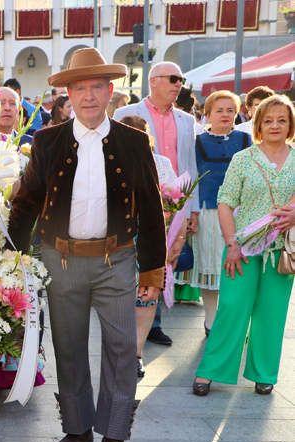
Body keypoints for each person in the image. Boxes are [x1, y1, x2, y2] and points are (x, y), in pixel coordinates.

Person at [8, 48, 166, 442]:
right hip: (60, 260)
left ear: (110, 92)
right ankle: (77, 429)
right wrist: (14, 257)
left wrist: (153, 271)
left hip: (117, 259)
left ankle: (114, 437)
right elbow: (26, 201)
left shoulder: (134, 142)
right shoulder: (47, 140)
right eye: (81, 88)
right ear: (69, 93)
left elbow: (152, 209)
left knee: (121, 348)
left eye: (98, 87)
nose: (90, 97)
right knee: (70, 347)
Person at [193, 95, 295, 397]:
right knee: (232, 308)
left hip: (282, 253)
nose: (275, 125)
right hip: (242, 248)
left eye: (282, 120)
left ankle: (264, 373)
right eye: (268, 120)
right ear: (258, 124)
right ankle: (210, 371)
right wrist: (231, 243)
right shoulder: (244, 158)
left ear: (290, 125)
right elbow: (225, 203)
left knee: (272, 313)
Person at [113, 61, 198, 347]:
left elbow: (190, 166)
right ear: (154, 80)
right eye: (174, 78)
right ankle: (127, 326)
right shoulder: (126, 113)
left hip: (172, 203)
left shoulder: (187, 120)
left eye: (181, 79)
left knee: (164, 263)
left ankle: (154, 325)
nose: (179, 85)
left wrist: (191, 208)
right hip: (132, 207)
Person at [180, 90, 252, 336]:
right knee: (210, 266)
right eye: (219, 110)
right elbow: (192, 178)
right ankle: (211, 322)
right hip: (208, 211)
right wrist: (192, 213)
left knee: (239, 268)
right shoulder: (197, 142)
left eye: (230, 110)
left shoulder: (244, 140)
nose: (225, 115)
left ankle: (234, 323)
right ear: (207, 114)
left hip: (240, 213)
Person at [119, 115, 184, 378]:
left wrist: (177, 239)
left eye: (140, 134)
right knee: (119, 300)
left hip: (152, 238)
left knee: (146, 298)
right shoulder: (108, 161)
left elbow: (176, 199)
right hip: (117, 242)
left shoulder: (161, 163)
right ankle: (119, 353)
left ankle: (135, 354)